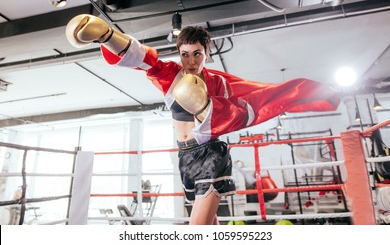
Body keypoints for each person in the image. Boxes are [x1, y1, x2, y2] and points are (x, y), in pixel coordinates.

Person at [65, 14, 340, 224]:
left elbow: (244, 107)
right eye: (185, 54)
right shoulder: (172, 76)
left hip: (210, 156)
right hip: (184, 158)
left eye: (197, 53)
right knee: (210, 225)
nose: (191, 60)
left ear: (206, 53)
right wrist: (108, 36)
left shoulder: (218, 82)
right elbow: (145, 60)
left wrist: (207, 105)